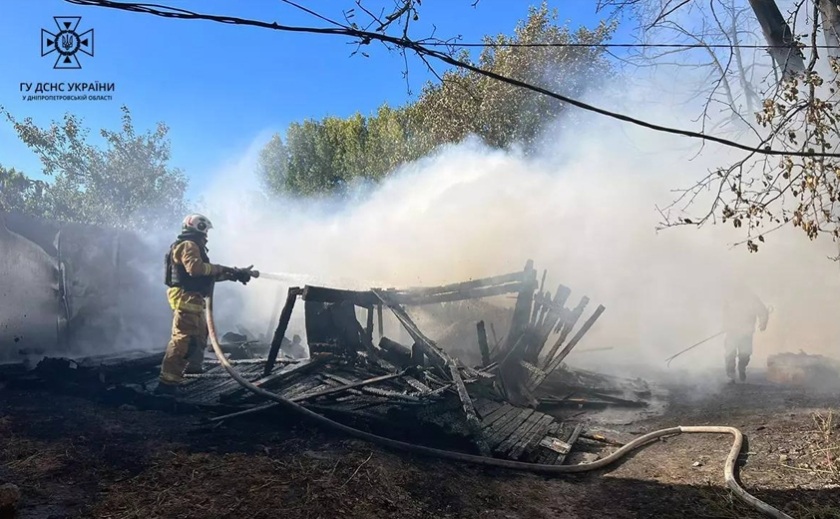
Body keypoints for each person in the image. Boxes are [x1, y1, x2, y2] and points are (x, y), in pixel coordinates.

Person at [155, 214, 254, 396]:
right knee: (183, 340)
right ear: (198, 227)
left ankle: (192, 370)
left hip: (193, 298)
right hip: (186, 297)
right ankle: (166, 385)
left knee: (199, 336)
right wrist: (223, 268)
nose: (207, 234)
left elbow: (207, 275)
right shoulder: (189, 245)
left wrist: (235, 274)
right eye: (206, 230)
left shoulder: (193, 246)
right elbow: (196, 269)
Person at [722, 284, 769, 383]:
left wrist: (763, 323)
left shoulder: (752, 299)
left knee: (745, 354)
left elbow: (763, 311)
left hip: (746, 332)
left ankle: (742, 368)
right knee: (730, 353)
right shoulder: (730, 299)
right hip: (732, 331)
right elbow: (724, 313)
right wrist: (725, 325)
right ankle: (731, 375)